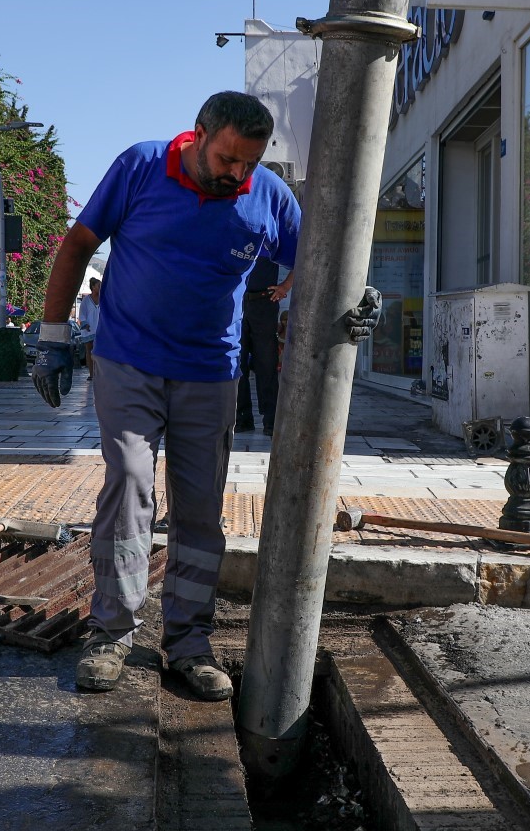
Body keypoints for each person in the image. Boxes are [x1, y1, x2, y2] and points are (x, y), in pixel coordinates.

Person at [30, 91, 381, 702]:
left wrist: (356, 295)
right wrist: (52, 336)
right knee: (131, 481)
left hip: (209, 371)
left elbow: (321, 263)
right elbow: (79, 242)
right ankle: (111, 632)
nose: (238, 174)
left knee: (198, 509)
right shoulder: (141, 166)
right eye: (227, 159)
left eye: (250, 162)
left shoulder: (267, 194)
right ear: (197, 137)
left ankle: (188, 643)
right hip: (127, 361)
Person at [235, 258, 292, 435]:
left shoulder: (273, 231)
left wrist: (285, 286)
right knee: (237, 363)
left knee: (267, 363)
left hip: (264, 302)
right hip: (236, 303)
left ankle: (271, 420)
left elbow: (303, 258)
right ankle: (241, 418)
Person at [77, 277, 101, 376]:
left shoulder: (103, 298)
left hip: (100, 330)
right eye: (99, 286)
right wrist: (85, 324)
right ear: (93, 287)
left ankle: (99, 373)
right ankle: (91, 374)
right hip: (89, 329)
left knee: (99, 352)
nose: (101, 288)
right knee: (89, 351)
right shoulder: (86, 301)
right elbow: (82, 314)